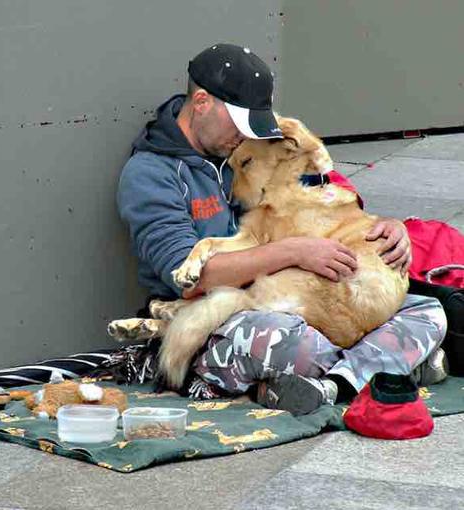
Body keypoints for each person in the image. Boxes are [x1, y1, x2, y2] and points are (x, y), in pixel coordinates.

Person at [116, 43, 448, 414]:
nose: (245, 137)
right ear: (202, 102)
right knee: (287, 342)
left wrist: (388, 228)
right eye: (240, 125)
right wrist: (294, 251)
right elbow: (189, 279)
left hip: (303, 298)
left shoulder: (243, 146)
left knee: (428, 309)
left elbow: (322, 194)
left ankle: (333, 385)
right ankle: (385, 367)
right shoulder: (151, 174)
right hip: (216, 316)